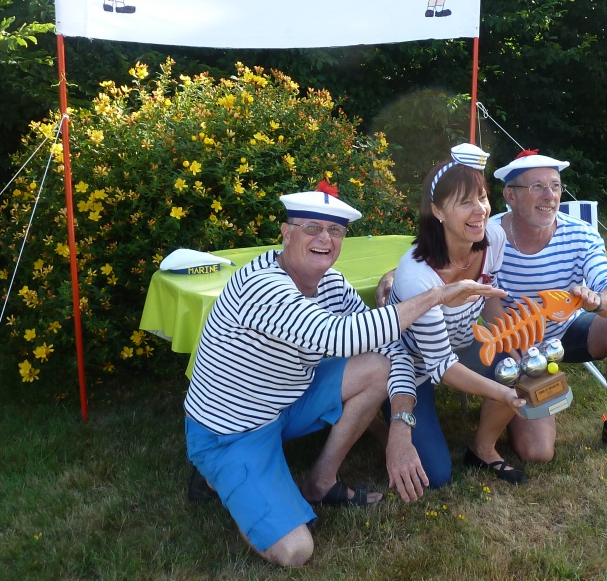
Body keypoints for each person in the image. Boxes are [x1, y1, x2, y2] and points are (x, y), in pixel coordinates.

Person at [184, 181, 502, 567]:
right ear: (286, 233)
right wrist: (436, 294)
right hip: (233, 429)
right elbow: (339, 336)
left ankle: (321, 482)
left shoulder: (331, 283)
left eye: (335, 230)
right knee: (295, 551)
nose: (325, 238)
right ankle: (216, 475)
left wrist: (400, 424)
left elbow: (390, 348)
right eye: (311, 228)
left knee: (379, 365)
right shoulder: (262, 285)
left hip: (287, 400)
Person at [489, 150, 607, 466]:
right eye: (537, 186)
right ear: (511, 195)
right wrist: (512, 344)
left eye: (555, 185)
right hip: (514, 340)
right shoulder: (490, 235)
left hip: (564, 330)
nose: (549, 195)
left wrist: (599, 300)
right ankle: (514, 398)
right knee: (537, 453)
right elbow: (481, 293)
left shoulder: (578, 233)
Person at [377, 144, 528, 503]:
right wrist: (503, 393)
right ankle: (381, 418)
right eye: (465, 202)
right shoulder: (417, 276)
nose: (480, 211)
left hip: (462, 343)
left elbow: (489, 297)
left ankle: (483, 448)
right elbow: (441, 366)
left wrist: (509, 341)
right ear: (437, 211)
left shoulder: (493, 238)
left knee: (516, 364)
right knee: (436, 475)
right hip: (410, 363)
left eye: (482, 198)